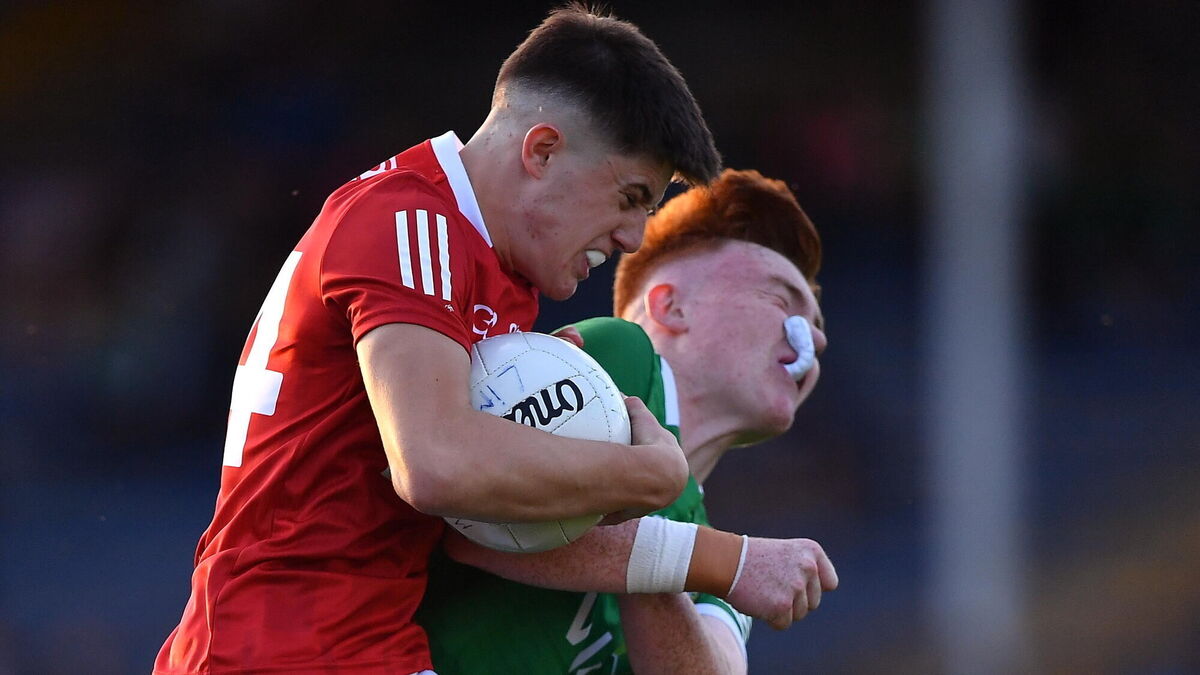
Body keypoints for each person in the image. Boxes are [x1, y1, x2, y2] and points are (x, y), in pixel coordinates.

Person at [154, 7, 721, 675]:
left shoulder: (487, 262)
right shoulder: (412, 220)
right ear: (542, 150)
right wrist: (648, 475)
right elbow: (436, 464)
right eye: (630, 197)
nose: (634, 236)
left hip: (365, 643)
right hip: (276, 647)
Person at [418, 168, 834, 674]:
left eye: (817, 325)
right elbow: (474, 512)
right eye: (779, 300)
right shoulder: (618, 357)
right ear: (670, 306)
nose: (813, 340)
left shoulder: (715, 552)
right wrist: (706, 561)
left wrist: (671, 559)